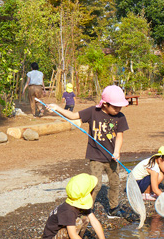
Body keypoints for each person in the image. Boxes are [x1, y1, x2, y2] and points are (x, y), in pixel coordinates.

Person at [48, 85, 129, 216]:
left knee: (115, 183)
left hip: (112, 157)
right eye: (115, 106)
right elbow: (73, 115)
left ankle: (113, 208)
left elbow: (119, 136)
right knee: (95, 185)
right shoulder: (93, 112)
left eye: (120, 106)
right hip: (95, 156)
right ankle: (87, 209)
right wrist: (57, 108)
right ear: (105, 104)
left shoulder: (120, 117)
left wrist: (117, 151)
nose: (118, 109)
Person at [42, 173, 117, 239]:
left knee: (85, 218)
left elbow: (94, 222)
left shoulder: (80, 203)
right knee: (77, 223)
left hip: (62, 234)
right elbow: (73, 235)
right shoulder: (68, 211)